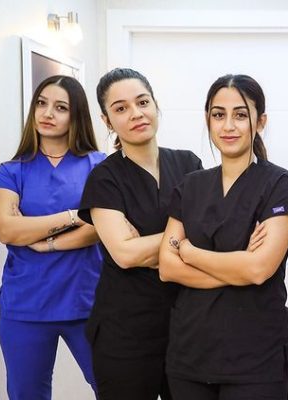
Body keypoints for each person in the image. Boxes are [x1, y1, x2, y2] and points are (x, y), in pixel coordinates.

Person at [158, 74, 288, 400]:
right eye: (218, 114)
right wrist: (238, 267)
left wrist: (192, 254)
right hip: (189, 355)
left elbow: (259, 269)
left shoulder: (278, 184)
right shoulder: (190, 186)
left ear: (260, 121)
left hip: (256, 358)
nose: (228, 126)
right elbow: (167, 268)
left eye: (240, 115)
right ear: (207, 120)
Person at [78, 68, 202, 400]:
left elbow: (209, 237)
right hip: (125, 335)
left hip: (187, 328)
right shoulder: (105, 178)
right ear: (107, 121)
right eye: (120, 108)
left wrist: (150, 245)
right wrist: (181, 241)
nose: (135, 113)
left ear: (155, 105)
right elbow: (125, 254)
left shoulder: (189, 165)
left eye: (142, 102)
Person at [0, 75, 104, 399]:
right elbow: (7, 229)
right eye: (41, 103)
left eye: (60, 107)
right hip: (26, 304)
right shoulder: (12, 171)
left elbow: (101, 229)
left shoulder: (99, 166)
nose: (47, 113)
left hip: (88, 301)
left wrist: (45, 240)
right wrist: (73, 216)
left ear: (76, 115)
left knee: (116, 388)